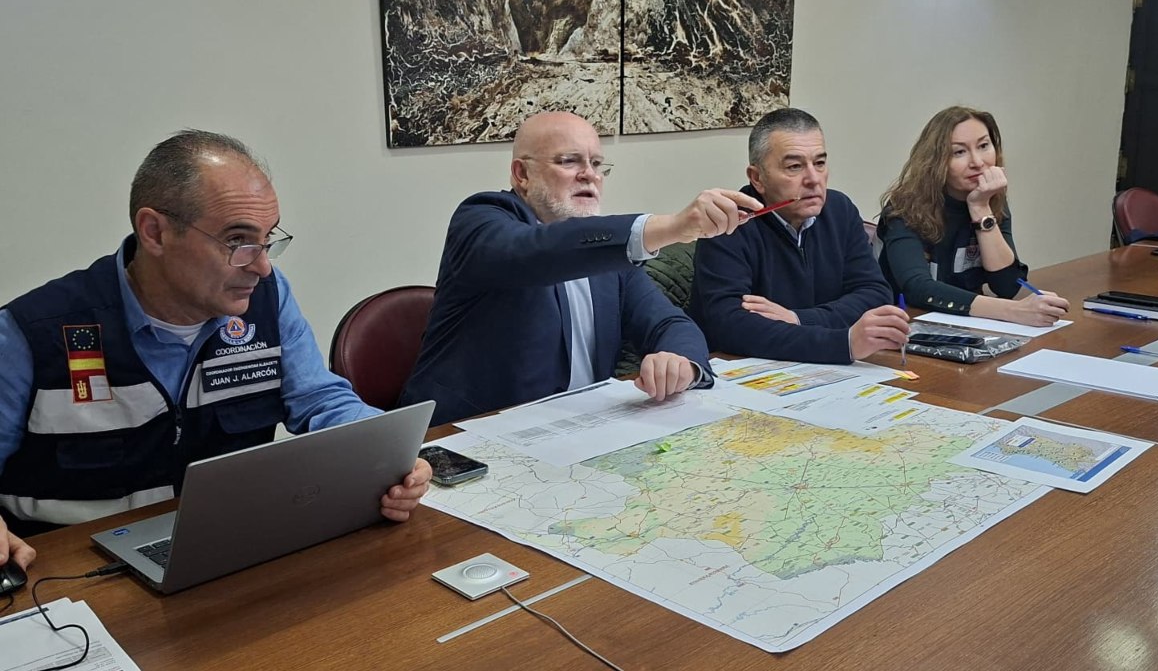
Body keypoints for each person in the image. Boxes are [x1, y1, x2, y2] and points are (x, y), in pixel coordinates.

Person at [0, 130, 432, 571]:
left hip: (222, 550)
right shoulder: (32, 332)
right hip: (68, 572)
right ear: (155, 232)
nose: (262, 266)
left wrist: (392, 455)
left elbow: (319, 400)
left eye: (268, 239)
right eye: (238, 240)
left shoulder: (269, 298)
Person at [401, 111, 762, 425]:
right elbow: (533, 253)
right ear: (521, 174)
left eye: (597, 164)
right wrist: (671, 227)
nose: (589, 175)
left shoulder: (607, 255)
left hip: (578, 436)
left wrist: (680, 359)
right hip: (462, 443)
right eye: (569, 161)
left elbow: (670, 323)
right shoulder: (480, 220)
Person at [689, 108, 907, 364]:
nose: (814, 179)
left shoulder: (839, 209)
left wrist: (799, 318)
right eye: (795, 167)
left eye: (820, 163)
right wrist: (842, 343)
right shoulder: (728, 223)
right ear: (758, 178)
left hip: (825, 372)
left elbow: (875, 294)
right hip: (744, 374)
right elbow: (731, 326)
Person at [877, 106, 1069, 326]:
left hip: (967, 325)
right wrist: (1013, 311)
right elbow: (918, 288)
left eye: (984, 146)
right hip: (906, 327)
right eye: (959, 152)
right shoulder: (904, 208)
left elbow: (1007, 286)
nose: (977, 162)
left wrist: (980, 209)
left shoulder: (989, 200)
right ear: (936, 162)